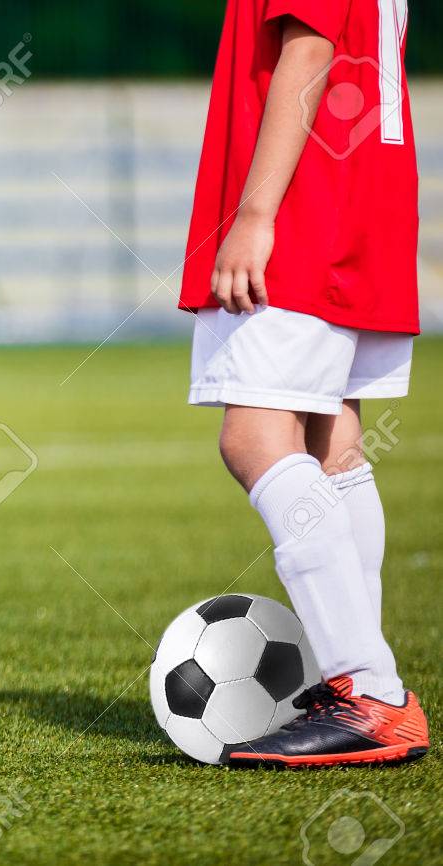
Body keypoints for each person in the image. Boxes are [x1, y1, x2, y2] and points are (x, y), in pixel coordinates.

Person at [179, 0, 428, 767]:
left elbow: (309, 49)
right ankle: (363, 690)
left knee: (255, 438)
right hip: (362, 202)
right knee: (332, 447)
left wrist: (255, 213)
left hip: (308, 208)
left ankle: (370, 691)